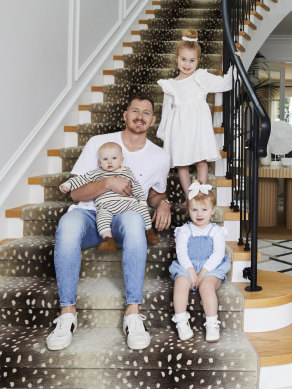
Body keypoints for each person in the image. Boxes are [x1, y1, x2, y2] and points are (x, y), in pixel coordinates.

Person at [46, 93, 172, 351]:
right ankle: (67, 314)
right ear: (124, 116)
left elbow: (153, 194)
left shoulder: (160, 156)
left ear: (153, 120)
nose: (140, 116)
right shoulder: (99, 142)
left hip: (125, 216)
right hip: (90, 215)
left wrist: (165, 203)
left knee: (135, 222)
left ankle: (133, 314)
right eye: (134, 111)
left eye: (146, 113)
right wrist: (106, 183)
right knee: (67, 225)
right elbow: (75, 193)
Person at [156, 28, 240, 202]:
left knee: (201, 162)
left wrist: (236, 64)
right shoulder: (170, 85)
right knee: (182, 164)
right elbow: (166, 110)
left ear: (198, 61)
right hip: (179, 129)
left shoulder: (200, 78)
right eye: (183, 59)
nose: (187, 64)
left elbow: (226, 83)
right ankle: (190, 196)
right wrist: (163, 133)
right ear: (176, 59)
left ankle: (200, 194)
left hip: (198, 128)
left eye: (192, 60)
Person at [59, 142, 160, 252]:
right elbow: (80, 179)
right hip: (105, 207)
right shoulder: (97, 173)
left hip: (127, 204)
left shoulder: (126, 172)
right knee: (102, 220)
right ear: (99, 162)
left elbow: (136, 187)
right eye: (105, 159)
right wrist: (68, 185)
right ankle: (108, 240)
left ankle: (149, 231)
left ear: (121, 160)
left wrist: (142, 201)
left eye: (114, 158)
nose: (110, 162)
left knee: (142, 210)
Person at [169, 180, 231, 343]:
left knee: (206, 286)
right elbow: (181, 252)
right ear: (188, 210)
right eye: (194, 209)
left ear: (212, 211)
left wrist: (202, 273)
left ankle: (212, 323)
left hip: (211, 268)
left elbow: (217, 254)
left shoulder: (216, 231)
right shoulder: (184, 230)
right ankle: (181, 321)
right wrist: (190, 271)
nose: (199, 214)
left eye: (204, 209)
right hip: (187, 266)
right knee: (181, 283)